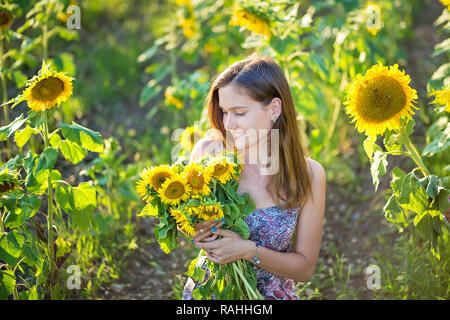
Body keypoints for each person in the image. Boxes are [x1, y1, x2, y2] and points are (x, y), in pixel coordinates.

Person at [182, 54, 326, 300]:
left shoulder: (309, 174)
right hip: (211, 291)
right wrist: (197, 229)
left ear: (274, 109)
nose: (228, 124)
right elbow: (188, 223)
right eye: (224, 112)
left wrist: (248, 251)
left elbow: (304, 268)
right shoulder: (208, 154)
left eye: (239, 113)